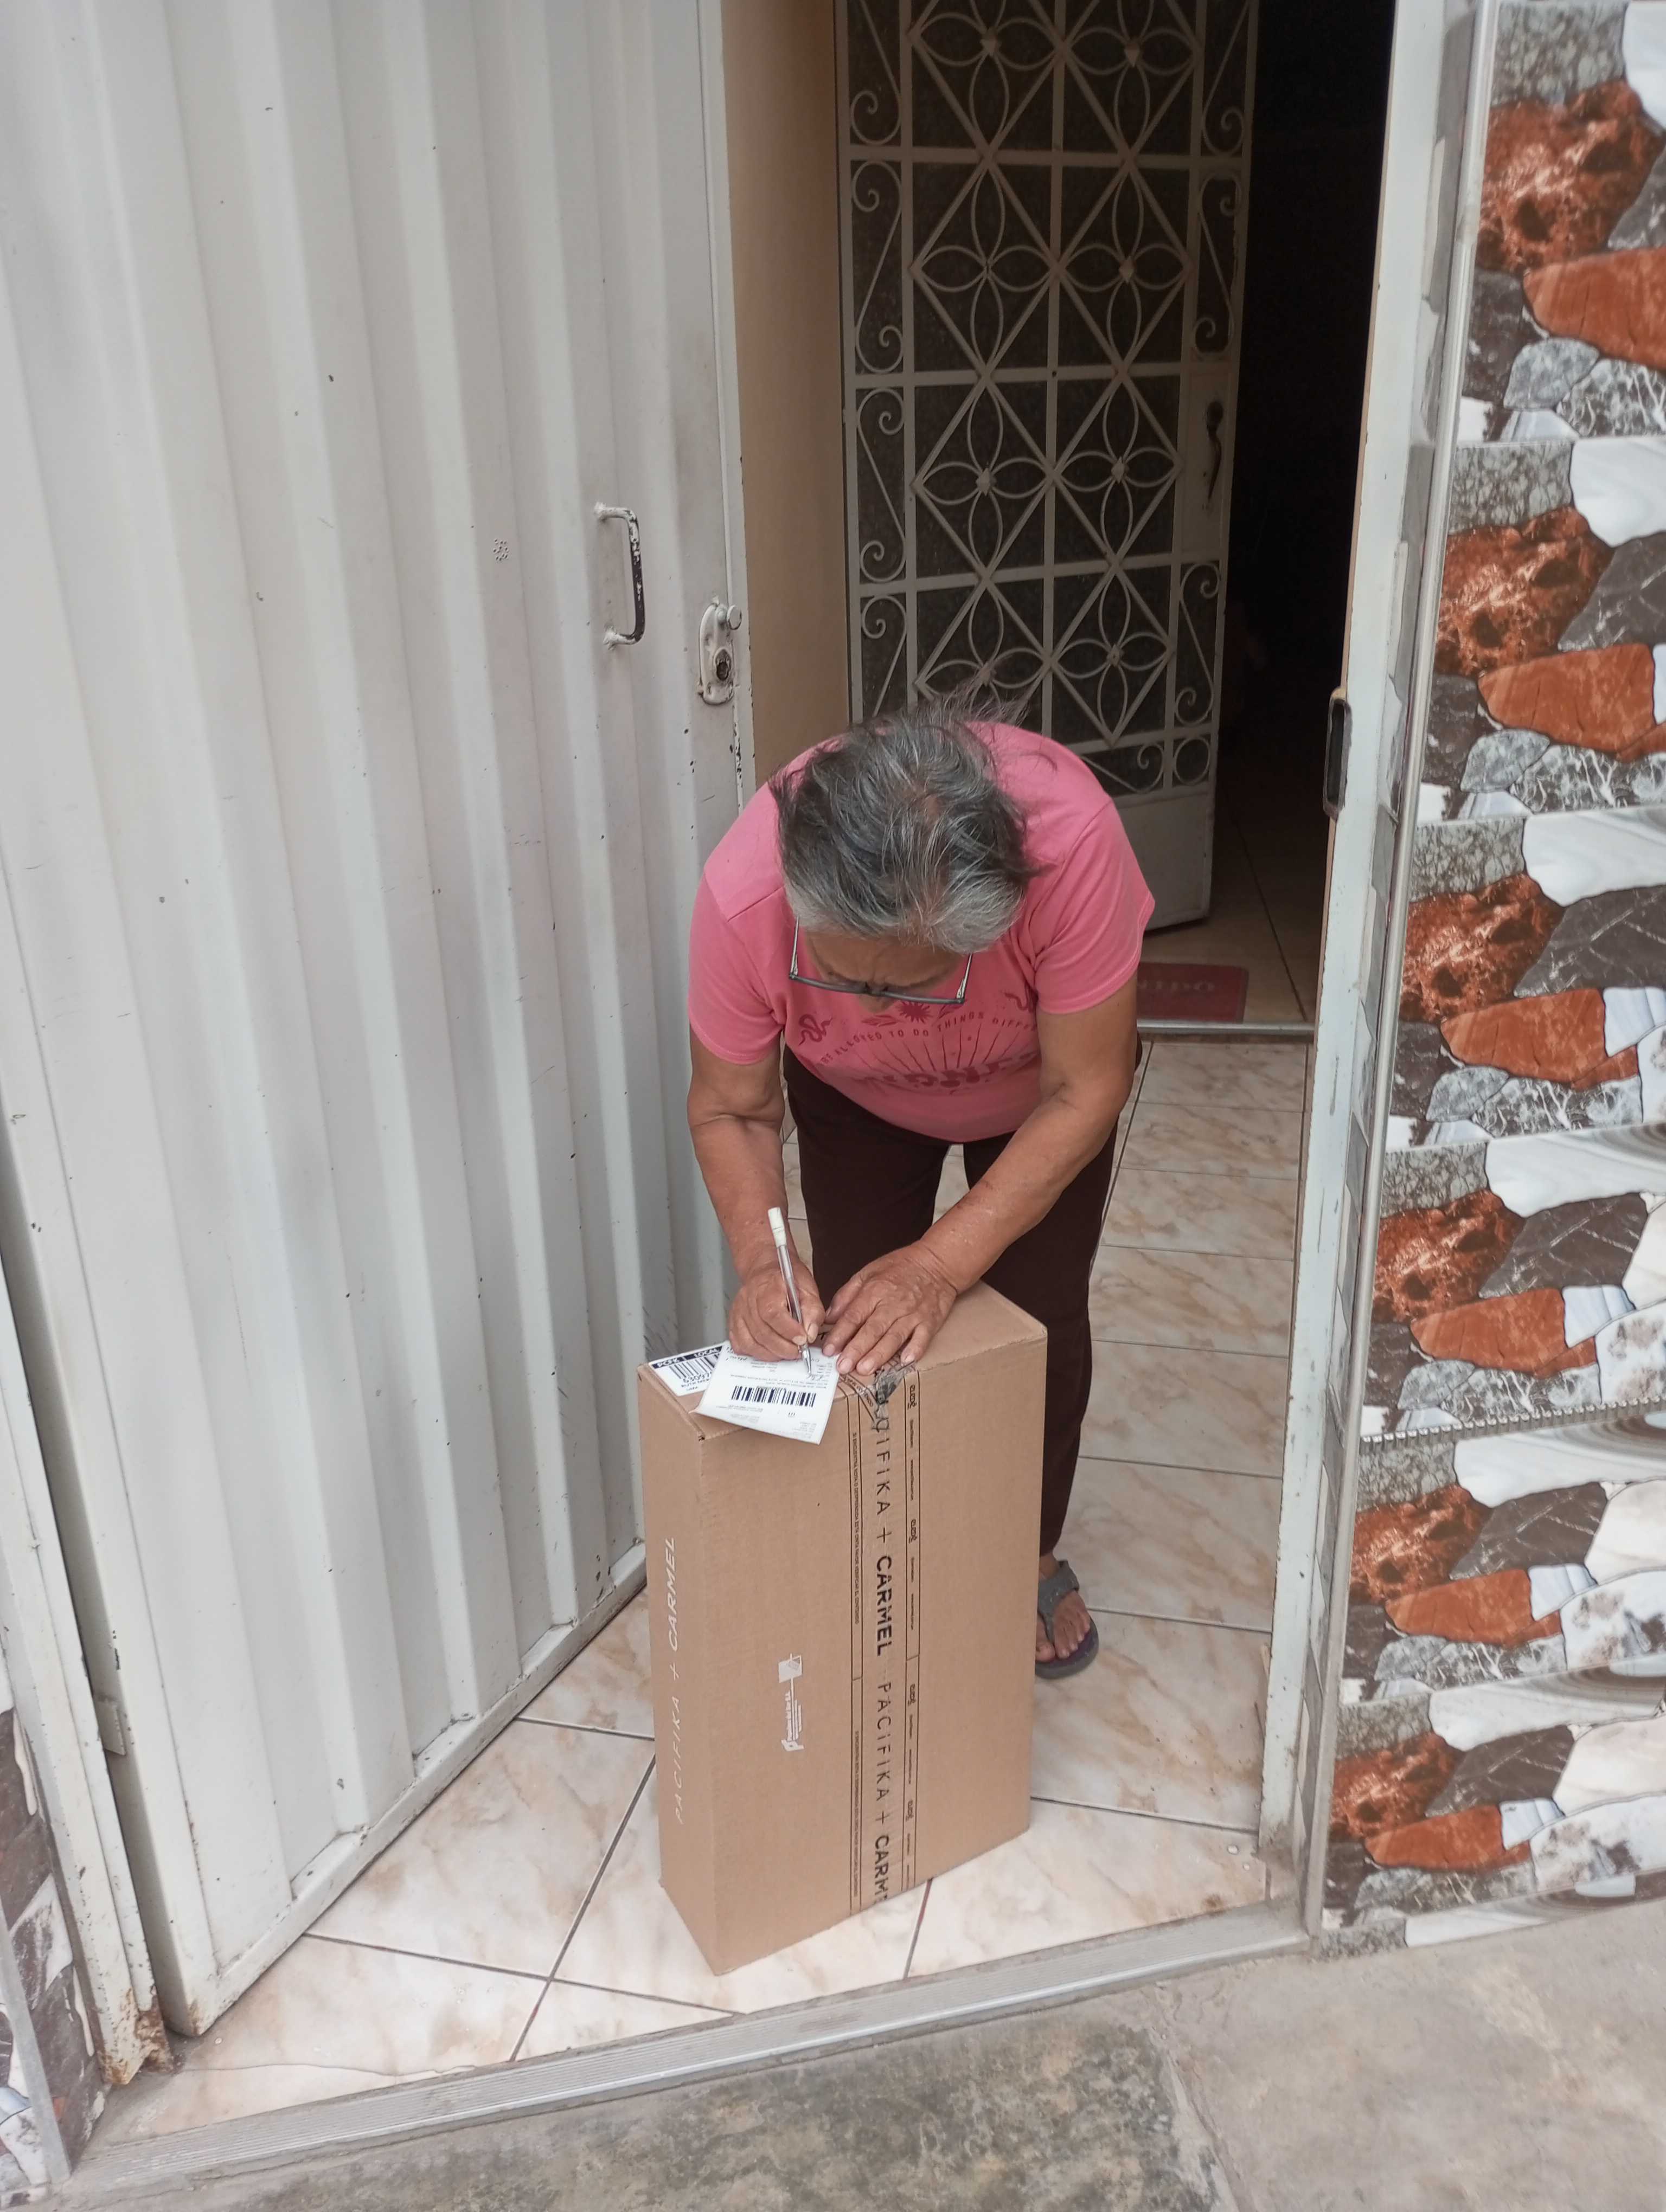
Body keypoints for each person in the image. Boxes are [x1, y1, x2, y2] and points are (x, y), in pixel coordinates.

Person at [685, 695, 1151, 1678]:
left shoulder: (1072, 846)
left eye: (909, 984)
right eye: (853, 982)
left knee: (1034, 1312)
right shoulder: (743, 896)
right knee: (858, 1324)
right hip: (851, 1099)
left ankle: (1024, 1549)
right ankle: (888, 1537)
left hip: (1039, 1096)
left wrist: (941, 1265)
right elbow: (732, 1109)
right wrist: (764, 1265)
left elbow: (1087, 1087)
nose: (884, 1016)